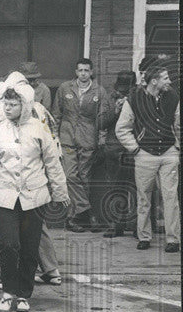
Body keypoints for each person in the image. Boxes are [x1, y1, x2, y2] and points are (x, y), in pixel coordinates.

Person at [0, 72, 66, 288]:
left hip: (21, 175)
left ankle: (20, 277)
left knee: (22, 234)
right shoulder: (39, 109)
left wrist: (1, 86)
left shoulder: (3, 108)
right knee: (31, 231)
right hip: (33, 175)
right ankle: (50, 270)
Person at [115, 64, 180, 253]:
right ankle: (144, 237)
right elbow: (122, 128)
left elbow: (178, 124)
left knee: (170, 197)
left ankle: (173, 240)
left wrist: (177, 147)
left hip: (169, 153)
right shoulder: (134, 99)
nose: (169, 81)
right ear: (154, 81)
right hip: (144, 155)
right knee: (144, 198)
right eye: (165, 78)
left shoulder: (173, 97)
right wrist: (135, 149)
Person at [54, 58, 114, 232]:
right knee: (69, 175)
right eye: (80, 70)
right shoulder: (65, 88)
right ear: (75, 72)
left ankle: (73, 219)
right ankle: (86, 211)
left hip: (88, 139)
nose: (83, 74)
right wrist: (54, 137)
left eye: (86, 70)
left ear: (92, 72)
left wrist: (100, 137)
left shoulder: (99, 91)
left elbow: (104, 118)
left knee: (85, 178)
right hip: (66, 137)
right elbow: (56, 114)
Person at [97, 71, 137, 239]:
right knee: (115, 187)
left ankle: (137, 226)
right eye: (121, 90)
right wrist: (116, 110)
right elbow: (100, 123)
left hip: (134, 149)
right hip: (114, 150)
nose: (123, 93)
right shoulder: (110, 98)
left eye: (127, 90)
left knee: (137, 188)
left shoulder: (140, 98)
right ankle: (115, 225)